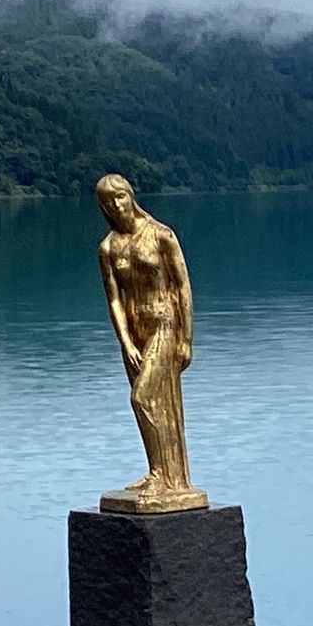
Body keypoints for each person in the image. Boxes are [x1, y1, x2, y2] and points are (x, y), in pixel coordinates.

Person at [95, 174, 203, 507]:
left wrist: (186, 338)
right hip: (135, 330)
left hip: (163, 324)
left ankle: (161, 475)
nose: (116, 205)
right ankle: (162, 472)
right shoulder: (108, 247)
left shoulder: (160, 235)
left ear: (131, 196)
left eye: (120, 197)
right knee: (151, 404)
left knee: (141, 398)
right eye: (108, 201)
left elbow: (182, 285)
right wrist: (125, 342)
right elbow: (114, 299)